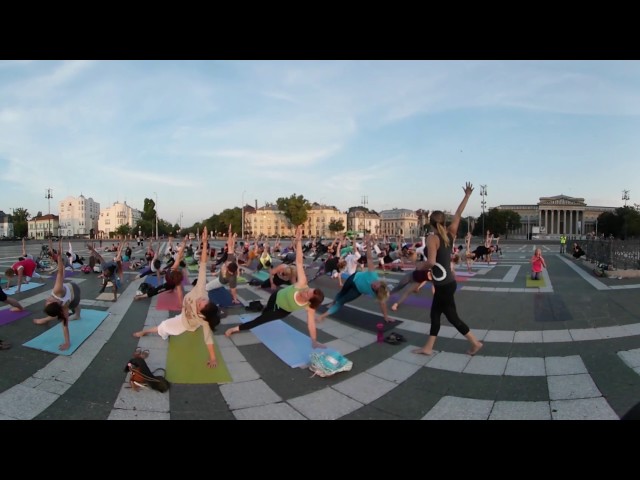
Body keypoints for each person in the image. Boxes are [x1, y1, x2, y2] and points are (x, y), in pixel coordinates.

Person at [225, 225, 327, 349]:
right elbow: (299, 261)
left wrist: (314, 341)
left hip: (281, 311)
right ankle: (264, 312)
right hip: (276, 296)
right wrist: (299, 241)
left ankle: (234, 329)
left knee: (260, 320)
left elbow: (311, 324)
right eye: (308, 290)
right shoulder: (302, 284)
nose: (305, 291)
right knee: (266, 311)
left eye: (307, 295)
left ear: (309, 301)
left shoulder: (309, 307)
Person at [133, 227, 222, 368]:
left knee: (164, 326)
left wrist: (213, 358)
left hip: (184, 323)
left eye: (201, 304)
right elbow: (204, 263)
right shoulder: (201, 290)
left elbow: (208, 338)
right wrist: (205, 243)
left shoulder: (203, 319)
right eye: (204, 299)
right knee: (174, 322)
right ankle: (161, 331)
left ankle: (147, 332)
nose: (201, 299)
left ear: (200, 312)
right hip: (184, 315)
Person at [413, 182, 484, 357]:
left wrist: (419, 266)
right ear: (444, 221)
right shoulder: (450, 233)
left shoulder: (432, 238)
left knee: (452, 317)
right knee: (435, 314)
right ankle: (428, 348)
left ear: (430, 223)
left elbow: (430, 262)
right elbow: (459, 213)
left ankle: (475, 343)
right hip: (447, 283)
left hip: (444, 285)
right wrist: (467, 196)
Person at [317, 233, 392, 323]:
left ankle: (324, 315)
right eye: (377, 283)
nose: (374, 283)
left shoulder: (376, 293)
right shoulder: (373, 275)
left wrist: (386, 317)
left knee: (342, 301)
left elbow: (382, 304)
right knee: (341, 293)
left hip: (357, 291)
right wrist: (368, 244)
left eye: (374, 286)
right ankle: (333, 302)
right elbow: (369, 258)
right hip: (353, 278)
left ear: (375, 291)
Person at [32, 239, 82, 351]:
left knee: (74, 305)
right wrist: (59, 259)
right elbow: (60, 273)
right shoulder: (58, 294)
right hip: (74, 292)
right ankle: (77, 314)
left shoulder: (60, 301)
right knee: (74, 305)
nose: (46, 300)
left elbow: (61, 273)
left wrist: (59, 258)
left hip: (73, 290)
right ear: (54, 302)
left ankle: (45, 320)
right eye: (47, 302)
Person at [134, 237, 188, 304]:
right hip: (171, 278)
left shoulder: (174, 267)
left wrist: (184, 242)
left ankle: (141, 297)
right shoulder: (175, 268)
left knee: (158, 290)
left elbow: (180, 254)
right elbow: (180, 254)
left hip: (171, 278)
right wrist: (184, 243)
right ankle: (141, 297)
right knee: (160, 289)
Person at [202, 224, 242, 305]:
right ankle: (217, 284)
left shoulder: (232, 278)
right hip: (220, 275)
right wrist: (230, 233)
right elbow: (231, 245)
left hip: (220, 281)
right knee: (221, 270)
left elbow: (233, 290)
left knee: (206, 288)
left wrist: (235, 299)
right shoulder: (231, 259)